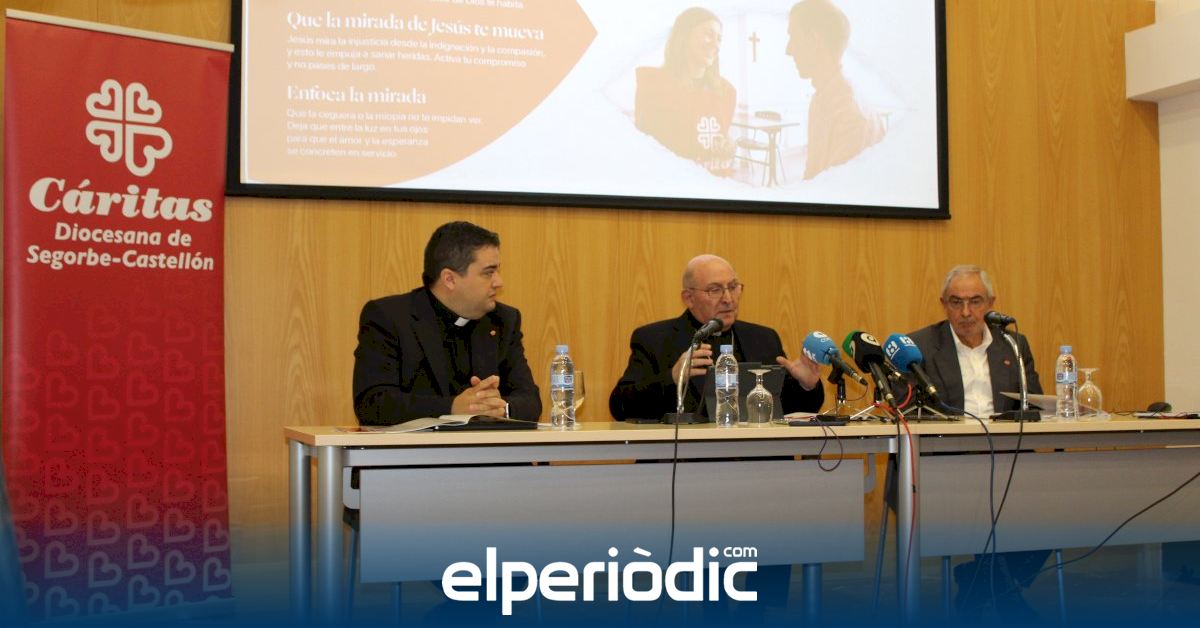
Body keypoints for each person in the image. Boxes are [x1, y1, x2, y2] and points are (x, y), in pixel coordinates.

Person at [908, 264, 1047, 620]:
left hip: (1008, 456)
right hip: (947, 460)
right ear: (943, 304)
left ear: (991, 303)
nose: (966, 312)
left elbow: (1033, 404)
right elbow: (908, 411)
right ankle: (999, 590)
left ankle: (980, 580)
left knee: (1057, 501)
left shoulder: (1014, 344)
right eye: (956, 302)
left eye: (975, 301)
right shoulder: (921, 346)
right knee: (986, 499)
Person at [352, 221, 541, 425]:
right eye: (488, 272)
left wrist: (500, 408)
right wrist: (451, 408)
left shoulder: (504, 320)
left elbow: (531, 401)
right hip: (419, 446)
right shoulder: (389, 317)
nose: (499, 282)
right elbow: (372, 403)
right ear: (449, 279)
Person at [608, 254, 824, 421]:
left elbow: (788, 410)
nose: (728, 299)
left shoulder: (763, 338)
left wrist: (806, 386)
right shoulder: (654, 339)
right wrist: (672, 377)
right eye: (715, 290)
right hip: (690, 459)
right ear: (689, 298)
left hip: (757, 457)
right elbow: (620, 407)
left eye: (733, 287)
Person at [786, 0, 886, 179]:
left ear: (815, 41)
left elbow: (834, 191)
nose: (788, 50)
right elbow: (812, 175)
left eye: (793, 37)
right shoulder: (819, 100)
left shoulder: (850, 115)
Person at [634, 7, 737, 176]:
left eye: (719, 38)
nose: (716, 45)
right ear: (684, 36)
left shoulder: (725, 92)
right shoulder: (655, 86)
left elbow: (721, 135)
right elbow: (646, 148)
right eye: (709, 34)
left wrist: (729, 146)